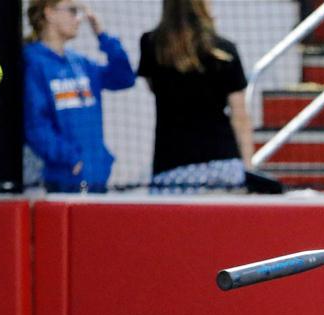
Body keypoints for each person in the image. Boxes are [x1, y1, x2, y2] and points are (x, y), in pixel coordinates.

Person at [138, 0, 253, 193]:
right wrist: (248, 167)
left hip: (173, 167)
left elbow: (153, 86)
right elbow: (240, 116)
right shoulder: (225, 50)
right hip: (224, 164)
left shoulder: (151, 45)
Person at [24, 0, 135, 193]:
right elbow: (36, 125)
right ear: (49, 13)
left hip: (96, 182)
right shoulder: (32, 62)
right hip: (60, 184)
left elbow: (124, 78)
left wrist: (103, 35)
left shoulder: (80, 63)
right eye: (73, 11)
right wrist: (71, 159)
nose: (79, 19)